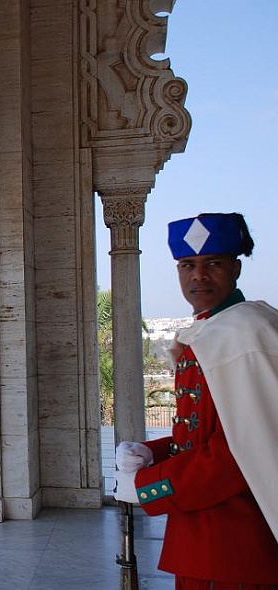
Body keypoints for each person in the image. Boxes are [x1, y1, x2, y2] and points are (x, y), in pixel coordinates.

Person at [113, 212, 278, 589]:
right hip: (201, 533)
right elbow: (204, 433)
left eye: (213, 264)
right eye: (188, 265)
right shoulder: (211, 330)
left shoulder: (247, 333)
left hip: (235, 541)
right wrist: (152, 452)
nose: (198, 276)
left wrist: (147, 486)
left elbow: (238, 453)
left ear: (235, 269)